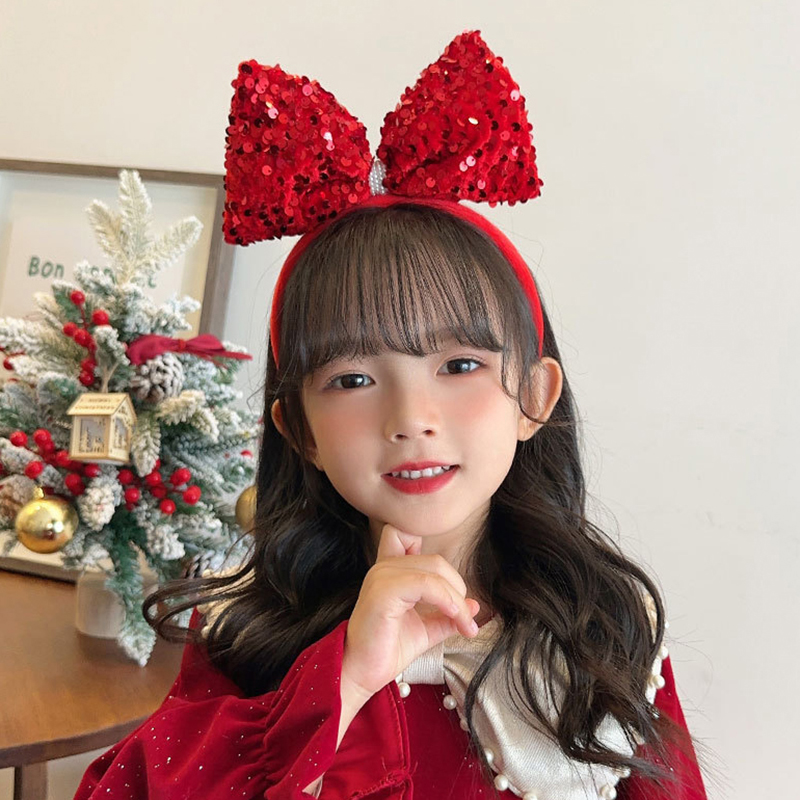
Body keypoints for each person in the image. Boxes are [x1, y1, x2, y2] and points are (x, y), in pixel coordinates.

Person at [75, 30, 708, 800]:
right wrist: (343, 679)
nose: (411, 417)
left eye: (460, 366)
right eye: (351, 379)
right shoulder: (247, 636)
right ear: (299, 430)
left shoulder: (609, 626)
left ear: (536, 396)